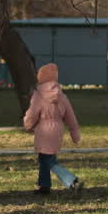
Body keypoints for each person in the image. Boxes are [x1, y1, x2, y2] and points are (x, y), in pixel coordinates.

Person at [22, 63, 83, 196]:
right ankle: (44, 186)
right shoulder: (62, 96)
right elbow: (70, 116)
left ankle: (71, 180)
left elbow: (32, 113)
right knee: (45, 158)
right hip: (58, 129)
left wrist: (27, 124)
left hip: (44, 130)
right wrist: (75, 132)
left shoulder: (38, 95)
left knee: (47, 160)